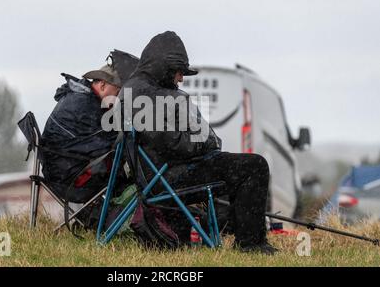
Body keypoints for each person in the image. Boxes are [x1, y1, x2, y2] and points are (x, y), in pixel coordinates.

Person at [119, 31, 277, 254]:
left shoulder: (138, 90)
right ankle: (251, 244)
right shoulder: (145, 94)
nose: (181, 79)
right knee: (254, 166)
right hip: (168, 179)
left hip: (166, 173)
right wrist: (207, 141)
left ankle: (246, 236)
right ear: (165, 66)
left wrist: (204, 139)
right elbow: (174, 144)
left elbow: (174, 140)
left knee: (239, 167)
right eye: (179, 72)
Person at [41, 50, 138, 204]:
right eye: (118, 92)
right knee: (134, 174)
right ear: (102, 84)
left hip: (60, 170)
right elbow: (108, 143)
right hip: (71, 179)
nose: (120, 98)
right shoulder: (86, 106)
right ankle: (118, 220)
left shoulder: (80, 98)